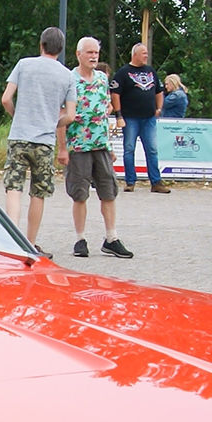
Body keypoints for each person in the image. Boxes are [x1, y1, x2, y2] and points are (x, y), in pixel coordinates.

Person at [1, 26, 76, 256]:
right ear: (61, 49)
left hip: (19, 136)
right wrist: (52, 123)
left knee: (14, 186)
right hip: (44, 141)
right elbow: (71, 115)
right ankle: (30, 243)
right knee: (39, 191)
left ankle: (12, 236)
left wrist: (18, 116)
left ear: (41, 45)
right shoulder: (67, 75)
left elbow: (6, 99)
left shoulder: (24, 65)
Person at [65, 36, 132, 259]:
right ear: (79, 54)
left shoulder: (103, 78)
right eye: (89, 53)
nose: (93, 56)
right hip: (78, 144)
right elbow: (61, 113)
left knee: (108, 191)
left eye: (96, 53)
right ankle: (80, 238)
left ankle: (111, 237)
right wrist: (62, 147)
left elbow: (107, 107)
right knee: (80, 193)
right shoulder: (69, 79)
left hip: (100, 143)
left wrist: (109, 143)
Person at [111, 44, 169, 192]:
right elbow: (115, 93)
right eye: (143, 53)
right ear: (135, 54)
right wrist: (119, 114)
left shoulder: (151, 71)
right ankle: (130, 181)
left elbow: (159, 91)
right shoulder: (123, 72)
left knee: (152, 149)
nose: (146, 56)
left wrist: (159, 108)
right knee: (129, 149)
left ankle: (156, 182)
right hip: (130, 118)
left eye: (147, 53)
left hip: (149, 118)